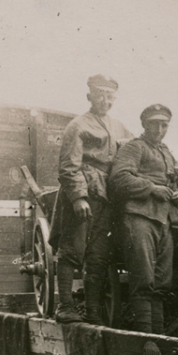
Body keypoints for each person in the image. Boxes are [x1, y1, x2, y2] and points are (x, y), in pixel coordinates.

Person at [51, 74, 133, 324]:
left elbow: (134, 150)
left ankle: (93, 311)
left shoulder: (120, 127)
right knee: (73, 250)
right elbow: (68, 166)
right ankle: (65, 306)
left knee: (98, 255)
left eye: (109, 96)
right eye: (100, 95)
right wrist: (78, 198)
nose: (104, 100)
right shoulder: (78, 125)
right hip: (86, 194)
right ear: (89, 96)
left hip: (107, 198)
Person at [109, 104, 178, 333]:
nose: (159, 129)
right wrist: (151, 188)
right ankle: (144, 337)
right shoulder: (134, 148)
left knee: (162, 283)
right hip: (139, 218)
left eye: (164, 125)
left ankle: (158, 337)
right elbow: (119, 179)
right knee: (143, 279)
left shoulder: (167, 153)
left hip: (164, 220)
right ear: (144, 124)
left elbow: (173, 183)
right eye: (154, 123)